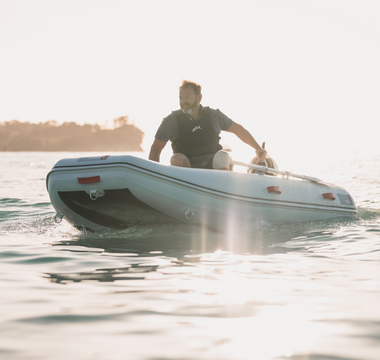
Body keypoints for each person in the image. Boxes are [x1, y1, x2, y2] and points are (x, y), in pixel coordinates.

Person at [149, 80, 267, 170]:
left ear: (199, 97)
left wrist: (257, 148)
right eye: (181, 98)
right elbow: (155, 149)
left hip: (214, 168)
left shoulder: (213, 115)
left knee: (223, 155)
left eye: (187, 98)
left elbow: (238, 129)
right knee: (176, 158)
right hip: (187, 171)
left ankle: (224, 191)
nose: (183, 102)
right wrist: (152, 175)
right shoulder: (171, 121)